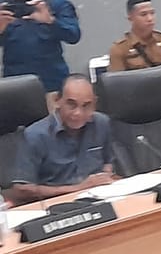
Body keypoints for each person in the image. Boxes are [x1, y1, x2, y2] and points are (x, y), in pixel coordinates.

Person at [9, 74, 114, 205]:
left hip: (99, 200)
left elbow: (108, 161)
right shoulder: (35, 135)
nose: (78, 113)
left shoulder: (102, 123)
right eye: (71, 104)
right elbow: (21, 190)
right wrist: (77, 189)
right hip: (55, 206)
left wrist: (105, 176)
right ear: (57, 101)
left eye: (86, 105)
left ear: (95, 103)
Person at [0, 0, 81, 103]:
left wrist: (51, 21)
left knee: (57, 126)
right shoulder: (2, 7)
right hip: (15, 85)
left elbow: (74, 35)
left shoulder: (57, 1)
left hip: (53, 84)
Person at [107, 0, 161, 72]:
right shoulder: (120, 49)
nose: (150, 18)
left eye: (152, 13)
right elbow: (117, 81)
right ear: (130, 18)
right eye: (143, 14)